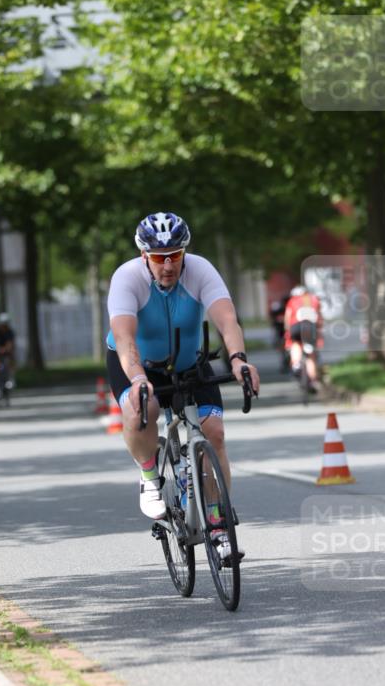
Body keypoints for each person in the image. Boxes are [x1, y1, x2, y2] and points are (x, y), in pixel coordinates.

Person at [106, 212, 260, 563]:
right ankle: (149, 476)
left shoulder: (200, 270)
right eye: (159, 257)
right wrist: (139, 379)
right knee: (144, 409)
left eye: (175, 255)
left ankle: (218, 526)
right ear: (144, 255)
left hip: (189, 363)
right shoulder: (127, 278)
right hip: (136, 365)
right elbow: (125, 338)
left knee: (214, 432)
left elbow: (227, 320)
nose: (168, 265)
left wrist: (238, 360)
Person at [283, 284, 323, 392]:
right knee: (311, 356)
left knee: (296, 344)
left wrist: (287, 331)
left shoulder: (293, 300)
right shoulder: (314, 299)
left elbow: (287, 317)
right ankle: (313, 381)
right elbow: (319, 317)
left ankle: (296, 364)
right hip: (310, 327)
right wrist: (319, 332)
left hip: (296, 326)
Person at [0, 312, 16, 395]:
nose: (4, 326)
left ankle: (11, 378)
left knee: (10, 360)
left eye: (6, 324)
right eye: (3, 324)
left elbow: (10, 343)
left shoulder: (10, 332)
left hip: (6, 352)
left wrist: (6, 349)